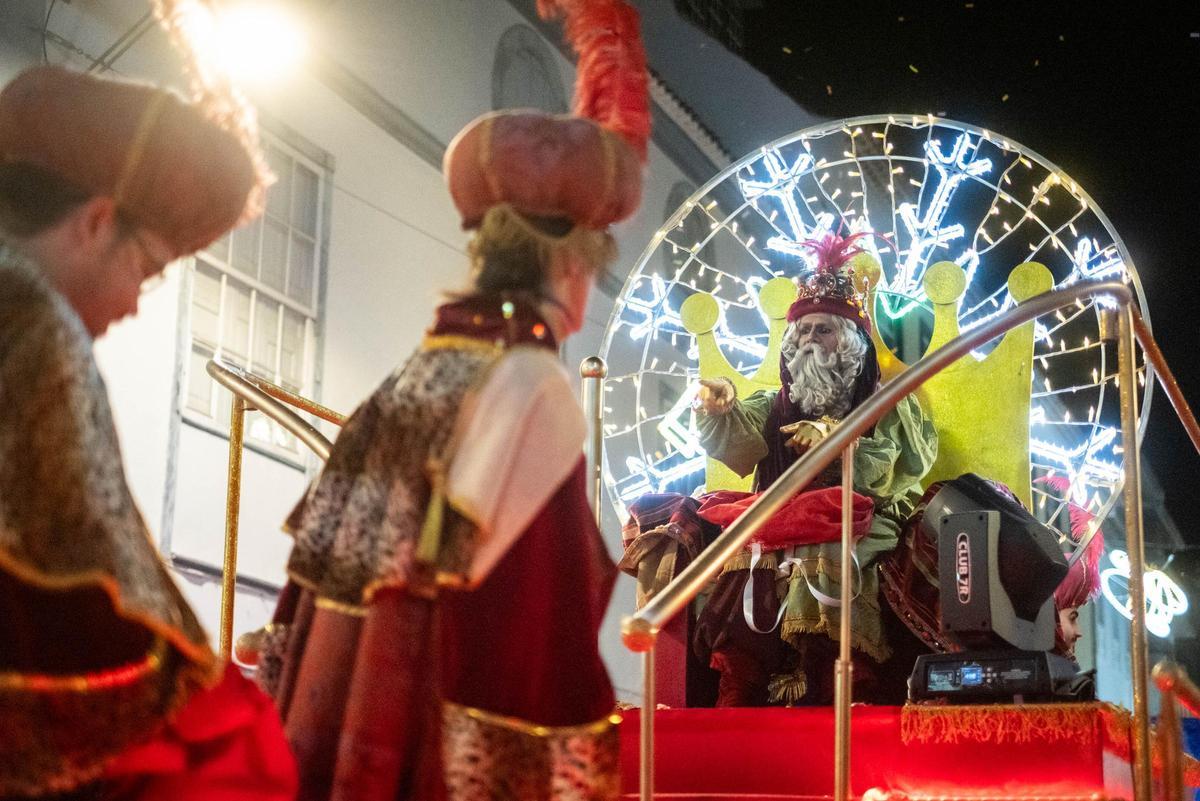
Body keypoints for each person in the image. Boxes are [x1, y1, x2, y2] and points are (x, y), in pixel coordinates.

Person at [246, 2, 650, 798]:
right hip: (438, 753)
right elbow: (539, 637)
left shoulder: (414, 373)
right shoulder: (532, 385)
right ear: (571, 262)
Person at [0, 67, 295, 798]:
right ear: (98, 220)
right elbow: (100, 599)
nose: (135, 302)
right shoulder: (38, 327)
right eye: (148, 268)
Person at [622, 232, 937, 707]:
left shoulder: (887, 405)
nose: (811, 341)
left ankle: (832, 688)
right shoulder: (771, 406)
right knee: (739, 547)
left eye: (824, 331)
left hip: (858, 524)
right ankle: (739, 693)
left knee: (824, 542)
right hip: (770, 523)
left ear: (851, 345)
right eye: (803, 332)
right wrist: (720, 407)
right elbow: (741, 448)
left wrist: (835, 443)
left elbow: (893, 472)